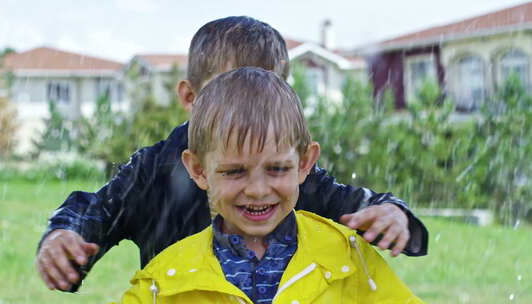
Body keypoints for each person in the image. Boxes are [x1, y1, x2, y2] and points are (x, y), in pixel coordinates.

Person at [36, 16, 428, 292]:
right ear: (190, 98)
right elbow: (96, 210)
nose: (245, 107)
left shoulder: (284, 175)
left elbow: (360, 204)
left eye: (264, 90)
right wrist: (65, 235)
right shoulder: (155, 169)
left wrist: (394, 216)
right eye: (225, 92)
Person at [117, 67, 423, 304]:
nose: (258, 190)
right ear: (198, 170)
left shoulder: (349, 257)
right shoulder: (161, 283)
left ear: (305, 163)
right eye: (235, 172)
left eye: (277, 169)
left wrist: (395, 212)